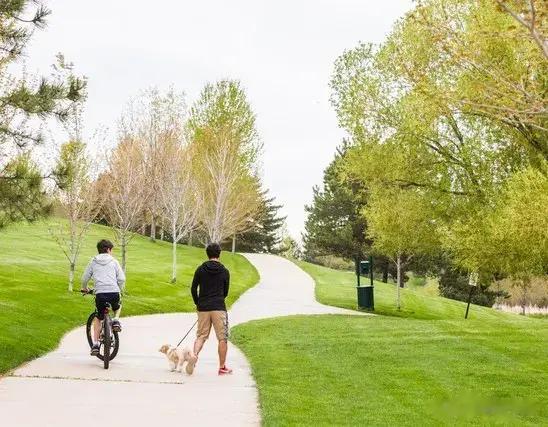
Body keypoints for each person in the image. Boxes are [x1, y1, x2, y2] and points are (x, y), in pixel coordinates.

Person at [191, 242, 232, 375]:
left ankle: (194, 356)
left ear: (207, 254)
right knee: (222, 338)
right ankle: (222, 367)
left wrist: (198, 303)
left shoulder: (200, 269)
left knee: (201, 336)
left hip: (203, 307)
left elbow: (193, 288)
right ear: (219, 254)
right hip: (218, 307)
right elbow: (225, 292)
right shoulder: (225, 271)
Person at [81, 239, 125, 356]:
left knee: (98, 318)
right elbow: (121, 279)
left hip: (100, 294)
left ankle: (95, 345)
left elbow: (85, 278)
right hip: (114, 292)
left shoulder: (93, 262)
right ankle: (115, 321)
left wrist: (84, 287)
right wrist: (120, 289)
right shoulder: (114, 262)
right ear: (109, 250)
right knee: (117, 306)